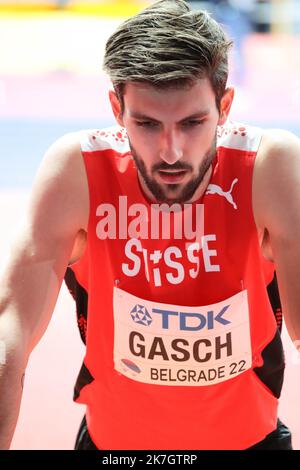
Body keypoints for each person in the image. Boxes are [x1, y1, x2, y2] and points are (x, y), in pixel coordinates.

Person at [0, 0, 299, 451]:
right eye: (146, 123)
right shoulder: (78, 171)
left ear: (225, 106)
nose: (172, 151)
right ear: (116, 109)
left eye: (193, 123)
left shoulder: (269, 168)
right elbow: (10, 333)